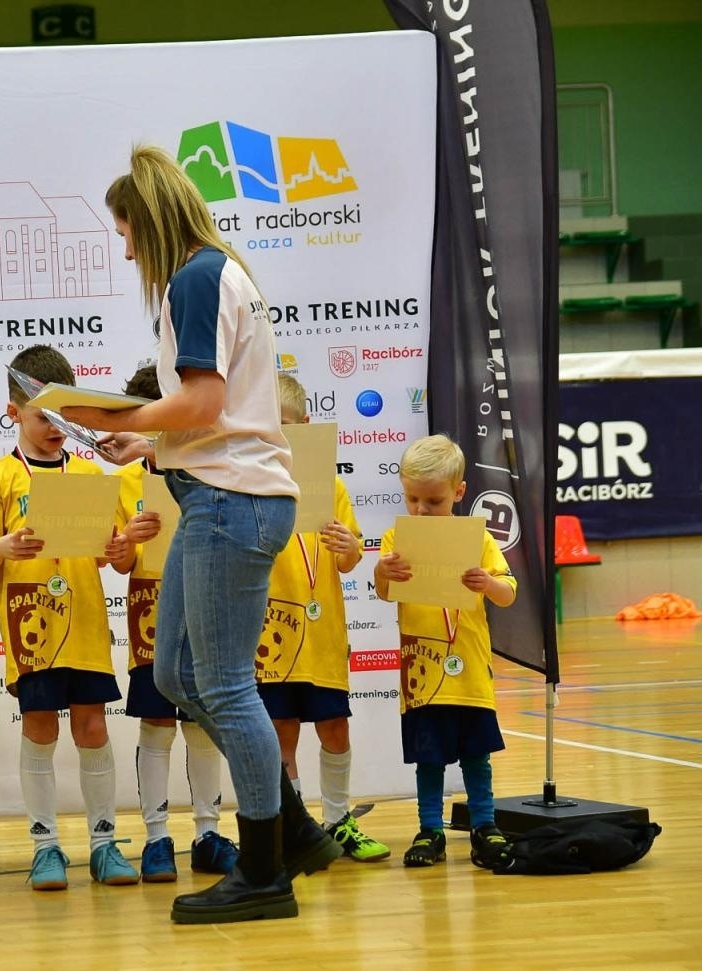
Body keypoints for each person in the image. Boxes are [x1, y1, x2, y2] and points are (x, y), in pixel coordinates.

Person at [63, 146, 341, 925]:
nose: (126, 252)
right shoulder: (214, 274)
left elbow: (202, 405)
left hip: (230, 501)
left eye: (126, 234)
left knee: (220, 684)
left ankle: (266, 869)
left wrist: (112, 413)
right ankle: (293, 830)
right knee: (179, 674)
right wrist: (146, 443)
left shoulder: (195, 278)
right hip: (218, 495)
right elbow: (212, 418)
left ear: (149, 223)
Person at [0, 345, 138, 891]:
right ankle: (45, 846)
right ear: (13, 412)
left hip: (86, 625)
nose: (54, 428)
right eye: (43, 416)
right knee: (40, 726)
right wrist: (6, 546)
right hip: (33, 631)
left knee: (92, 727)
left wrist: (119, 550)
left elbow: (115, 557)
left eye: (64, 417)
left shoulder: (89, 472)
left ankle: (104, 843)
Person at [107, 365, 239, 884]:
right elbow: (119, 561)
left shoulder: (206, 470)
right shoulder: (123, 481)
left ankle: (208, 832)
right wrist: (128, 538)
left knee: (202, 720)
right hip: (151, 613)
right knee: (157, 723)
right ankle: (156, 837)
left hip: (204, 603)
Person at [257, 374, 389, 863]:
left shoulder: (332, 487)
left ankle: (338, 821)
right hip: (273, 638)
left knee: (335, 729)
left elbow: (350, 560)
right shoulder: (253, 487)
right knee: (281, 733)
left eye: (286, 425)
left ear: (307, 426)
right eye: (267, 426)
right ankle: (293, 829)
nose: (277, 436)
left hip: (323, 636)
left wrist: (351, 546)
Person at [373, 435, 518, 869]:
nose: (420, 510)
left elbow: (508, 592)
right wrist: (382, 570)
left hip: (469, 671)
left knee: (477, 755)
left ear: (459, 492)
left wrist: (488, 583)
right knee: (429, 757)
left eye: (433, 501)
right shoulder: (397, 538)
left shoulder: (479, 539)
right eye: (412, 499)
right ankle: (430, 829)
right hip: (423, 673)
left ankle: (484, 825)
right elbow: (384, 592)